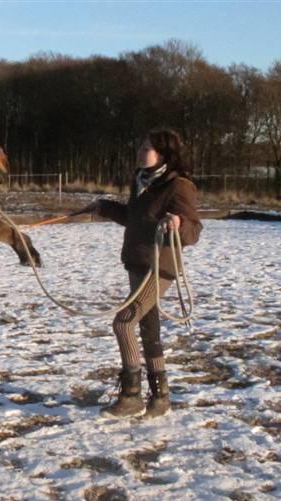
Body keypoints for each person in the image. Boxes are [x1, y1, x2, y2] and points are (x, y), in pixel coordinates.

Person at [89, 129, 202, 418]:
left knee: (123, 322)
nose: (140, 152)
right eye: (140, 146)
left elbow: (193, 230)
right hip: (137, 263)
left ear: (163, 155)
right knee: (148, 330)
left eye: (147, 148)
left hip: (158, 267)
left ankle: (131, 395)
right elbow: (133, 218)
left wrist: (178, 222)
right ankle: (161, 397)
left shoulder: (180, 187)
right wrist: (104, 207)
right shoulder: (141, 183)